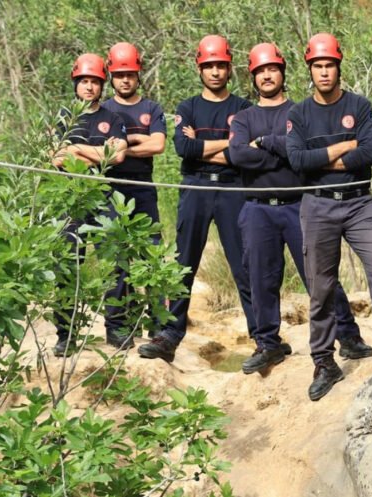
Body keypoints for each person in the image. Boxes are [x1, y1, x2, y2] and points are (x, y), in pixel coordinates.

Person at [228, 42, 372, 375]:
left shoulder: (300, 112)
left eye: (272, 69)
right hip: (257, 208)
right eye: (260, 71)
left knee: (320, 276)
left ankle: (348, 335)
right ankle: (268, 344)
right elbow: (238, 156)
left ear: (283, 72)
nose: (267, 75)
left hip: (299, 204)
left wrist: (269, 145)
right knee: (261, 278)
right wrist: (285, 152)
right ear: (253, 76)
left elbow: (303, 160)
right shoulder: (244, 117)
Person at [286, 33, 372, 401]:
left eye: (329, 64)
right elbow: (298, 162)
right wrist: (344, 146)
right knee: (321, 286)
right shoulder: (298, 113)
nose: (324, 72)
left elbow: (369, 153)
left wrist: (325, 159)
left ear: (338, 66)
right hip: (317, 205)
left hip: (359, 203)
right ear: (310, 70)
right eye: (318, 66)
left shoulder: (359, 106)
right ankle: (323, 361)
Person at [139, 35, 255, 363]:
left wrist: (207, 146)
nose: (215, 72)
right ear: (199, 68)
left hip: (233, 189)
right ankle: (169, 334)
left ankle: (261, 334)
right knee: (184, 261)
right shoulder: (188, 107)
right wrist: (228, 145)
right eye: (209, 66)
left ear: (229, 67)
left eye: (220, 65)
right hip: (195, 187)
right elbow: (184, 150)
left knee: (243, 263)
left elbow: (244, 154)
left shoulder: (243, 108)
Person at [51, 53, 128, 357]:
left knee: (115, 261)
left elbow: (117, 157)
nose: (89, 86)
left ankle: (116, 328)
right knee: (67, 263)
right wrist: (97, 153)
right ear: (75, 83)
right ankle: (65, 334)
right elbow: (56, 158)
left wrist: (76, 149)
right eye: (84, 81)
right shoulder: (63, 117)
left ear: (102, 85)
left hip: (105, 196)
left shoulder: (114, 119)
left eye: (95, 81)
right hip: (71, 198)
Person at [100, 42, 166, 349]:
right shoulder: (103, 110)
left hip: (143, 188)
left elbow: (158, 145)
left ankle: (157, 324)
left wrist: (124, 147)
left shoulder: (151, 108)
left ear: (139, 75)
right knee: (117, 258)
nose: (125, 80)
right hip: (110, 189)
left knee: (150, 253)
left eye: (130, 74)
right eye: (119, 74)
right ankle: (117, 326)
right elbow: (101, 152)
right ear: (111, 76)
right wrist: (138, 140)